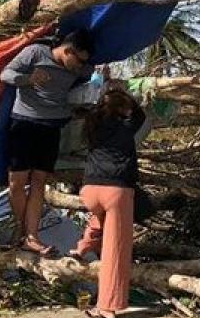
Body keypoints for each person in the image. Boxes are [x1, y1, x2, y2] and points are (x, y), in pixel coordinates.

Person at [0, 29, 95, 256]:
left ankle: (32, 237)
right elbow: (5, 74)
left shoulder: (80, 69)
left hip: (52, 127)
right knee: (16, 182)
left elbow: (91, 78)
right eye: (79, 61)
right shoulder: (35, 53)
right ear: (68, 51)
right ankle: (21, 232)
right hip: (24, 123)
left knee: (39, 182)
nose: (80, 67)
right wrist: (27, 79)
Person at [68, 88, 145, 318]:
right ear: (121, 108)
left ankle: (81, 248)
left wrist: (107, 96)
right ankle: (106, 307)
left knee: (100, 216)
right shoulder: (125, 126)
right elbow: (140, 115)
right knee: (116, 252)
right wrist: (126, 94)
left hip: (90, 189)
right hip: (116, 190)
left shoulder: (92, 125)